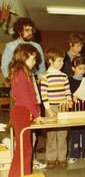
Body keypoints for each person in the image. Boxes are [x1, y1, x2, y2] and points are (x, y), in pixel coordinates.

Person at [0, 17, 46, 170]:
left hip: (30, 95)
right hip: (20, 99)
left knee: (27, 141)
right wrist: (16, 83)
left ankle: (28, 165)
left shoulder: (36, 47)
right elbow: (6, 69)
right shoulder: (11, 46)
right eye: (27, 30)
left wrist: (36, 79)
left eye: (31, 30)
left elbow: (41, 71)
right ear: (19, 30)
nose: (30, 33)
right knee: (22, 142)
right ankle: (20, 166)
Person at [7, 44, 44, 177]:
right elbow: (25, 98)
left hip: (24, 112)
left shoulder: (24, 72)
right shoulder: (21, 73)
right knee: (23, 150)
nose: (35, 62)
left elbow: (30, 96)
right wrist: (36, 114)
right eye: (33, 59)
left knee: (26, 150)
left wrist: (35, 112)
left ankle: (25, 174)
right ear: (24, 57)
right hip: (21, 112)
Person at [40, 47, 73, 168]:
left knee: (63, 133)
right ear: (50, 61)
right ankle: (51, 158)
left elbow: (67, 90)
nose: (62, 63)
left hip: (63, 107)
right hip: (50, 108)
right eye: (59, 60)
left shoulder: (64, 76)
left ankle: (62, 157)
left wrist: (69, 100)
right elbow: (44, 94)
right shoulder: (45, 76)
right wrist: (48, 109)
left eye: (62, 60)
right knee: (51, 133)